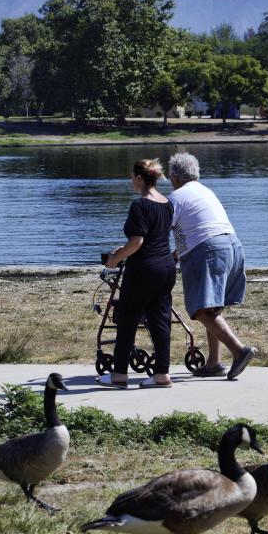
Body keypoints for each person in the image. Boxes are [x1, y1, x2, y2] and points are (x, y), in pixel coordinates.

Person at [167, 152, 257, 380]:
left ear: (174, 176)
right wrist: (176, 255)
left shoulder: (176, 198)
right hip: (232, 245)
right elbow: (200, 228)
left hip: (208, 251)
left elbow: (160, 233)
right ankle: (214, 362)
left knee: (200, 309)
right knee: (212, 308)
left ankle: (238, 350)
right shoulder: (205, 191)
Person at [98, 159, 176, 389]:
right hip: (166, 267)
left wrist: (115, 258)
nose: (130, 181)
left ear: (140, 178)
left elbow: (138, 241)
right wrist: (123, 251)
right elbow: (155, 237)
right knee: (160, 320)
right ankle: (162, 374)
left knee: (127, 318)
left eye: (132, 177)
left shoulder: (139, 205)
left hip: (143, 269)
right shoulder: (166, 203)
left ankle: (119, 374)